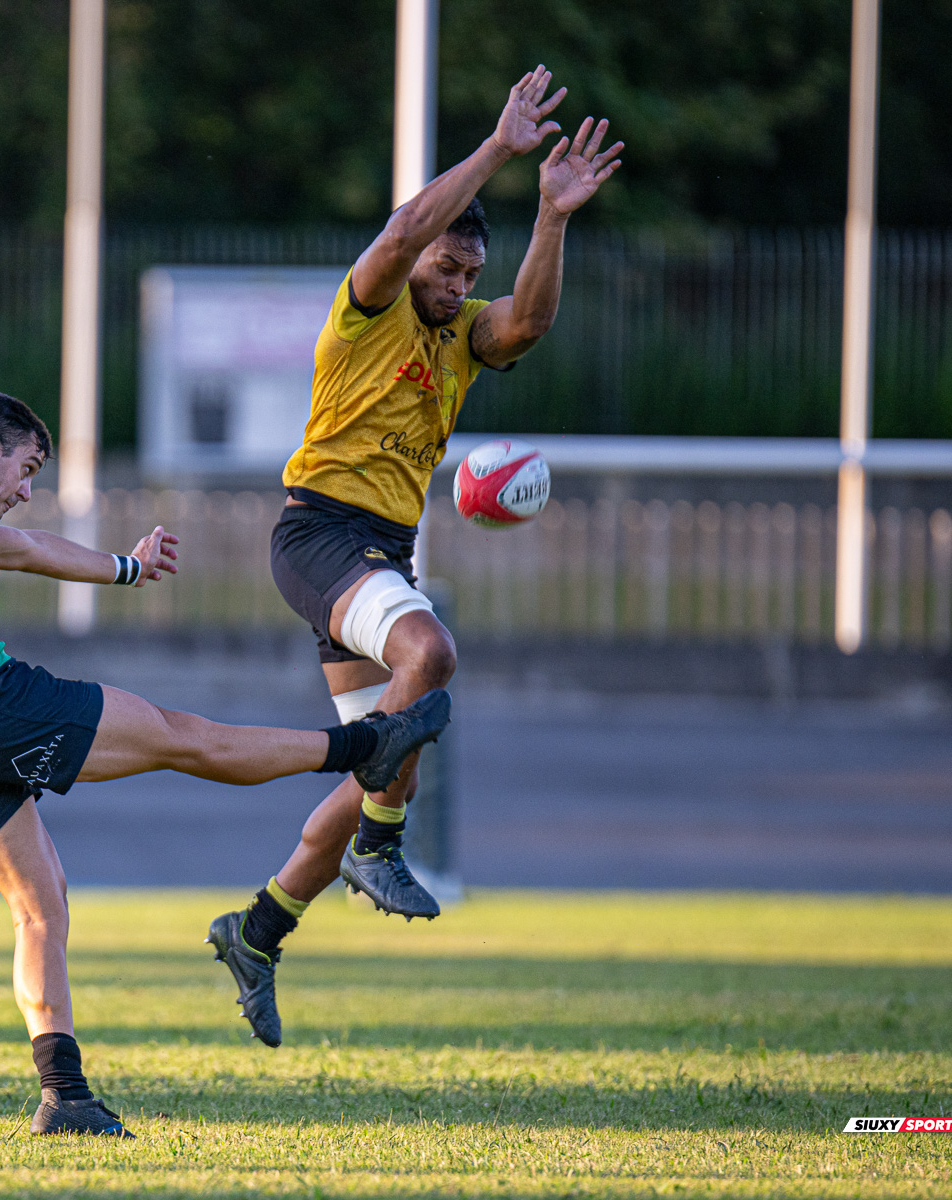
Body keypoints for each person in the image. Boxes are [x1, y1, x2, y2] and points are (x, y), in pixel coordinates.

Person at [0, 390, 450, 1136]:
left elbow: (30, 548)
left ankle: (63, 1096)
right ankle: (366, 746)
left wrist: (126, 570)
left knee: (41, 907)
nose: (25, 489)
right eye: (26, 468)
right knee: (180, 736)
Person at [209, 66, 624, 1046]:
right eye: (447, 268)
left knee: (385, 769)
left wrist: (551, 217)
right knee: (429, 657)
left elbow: (529, 323)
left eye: (467, 274)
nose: (456, 284)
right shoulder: (374, 307)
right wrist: (498, 151)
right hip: (319, 532)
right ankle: (380, 852)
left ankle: (259, 929)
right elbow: (397, 237)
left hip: (376, 549)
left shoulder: (461, 337)